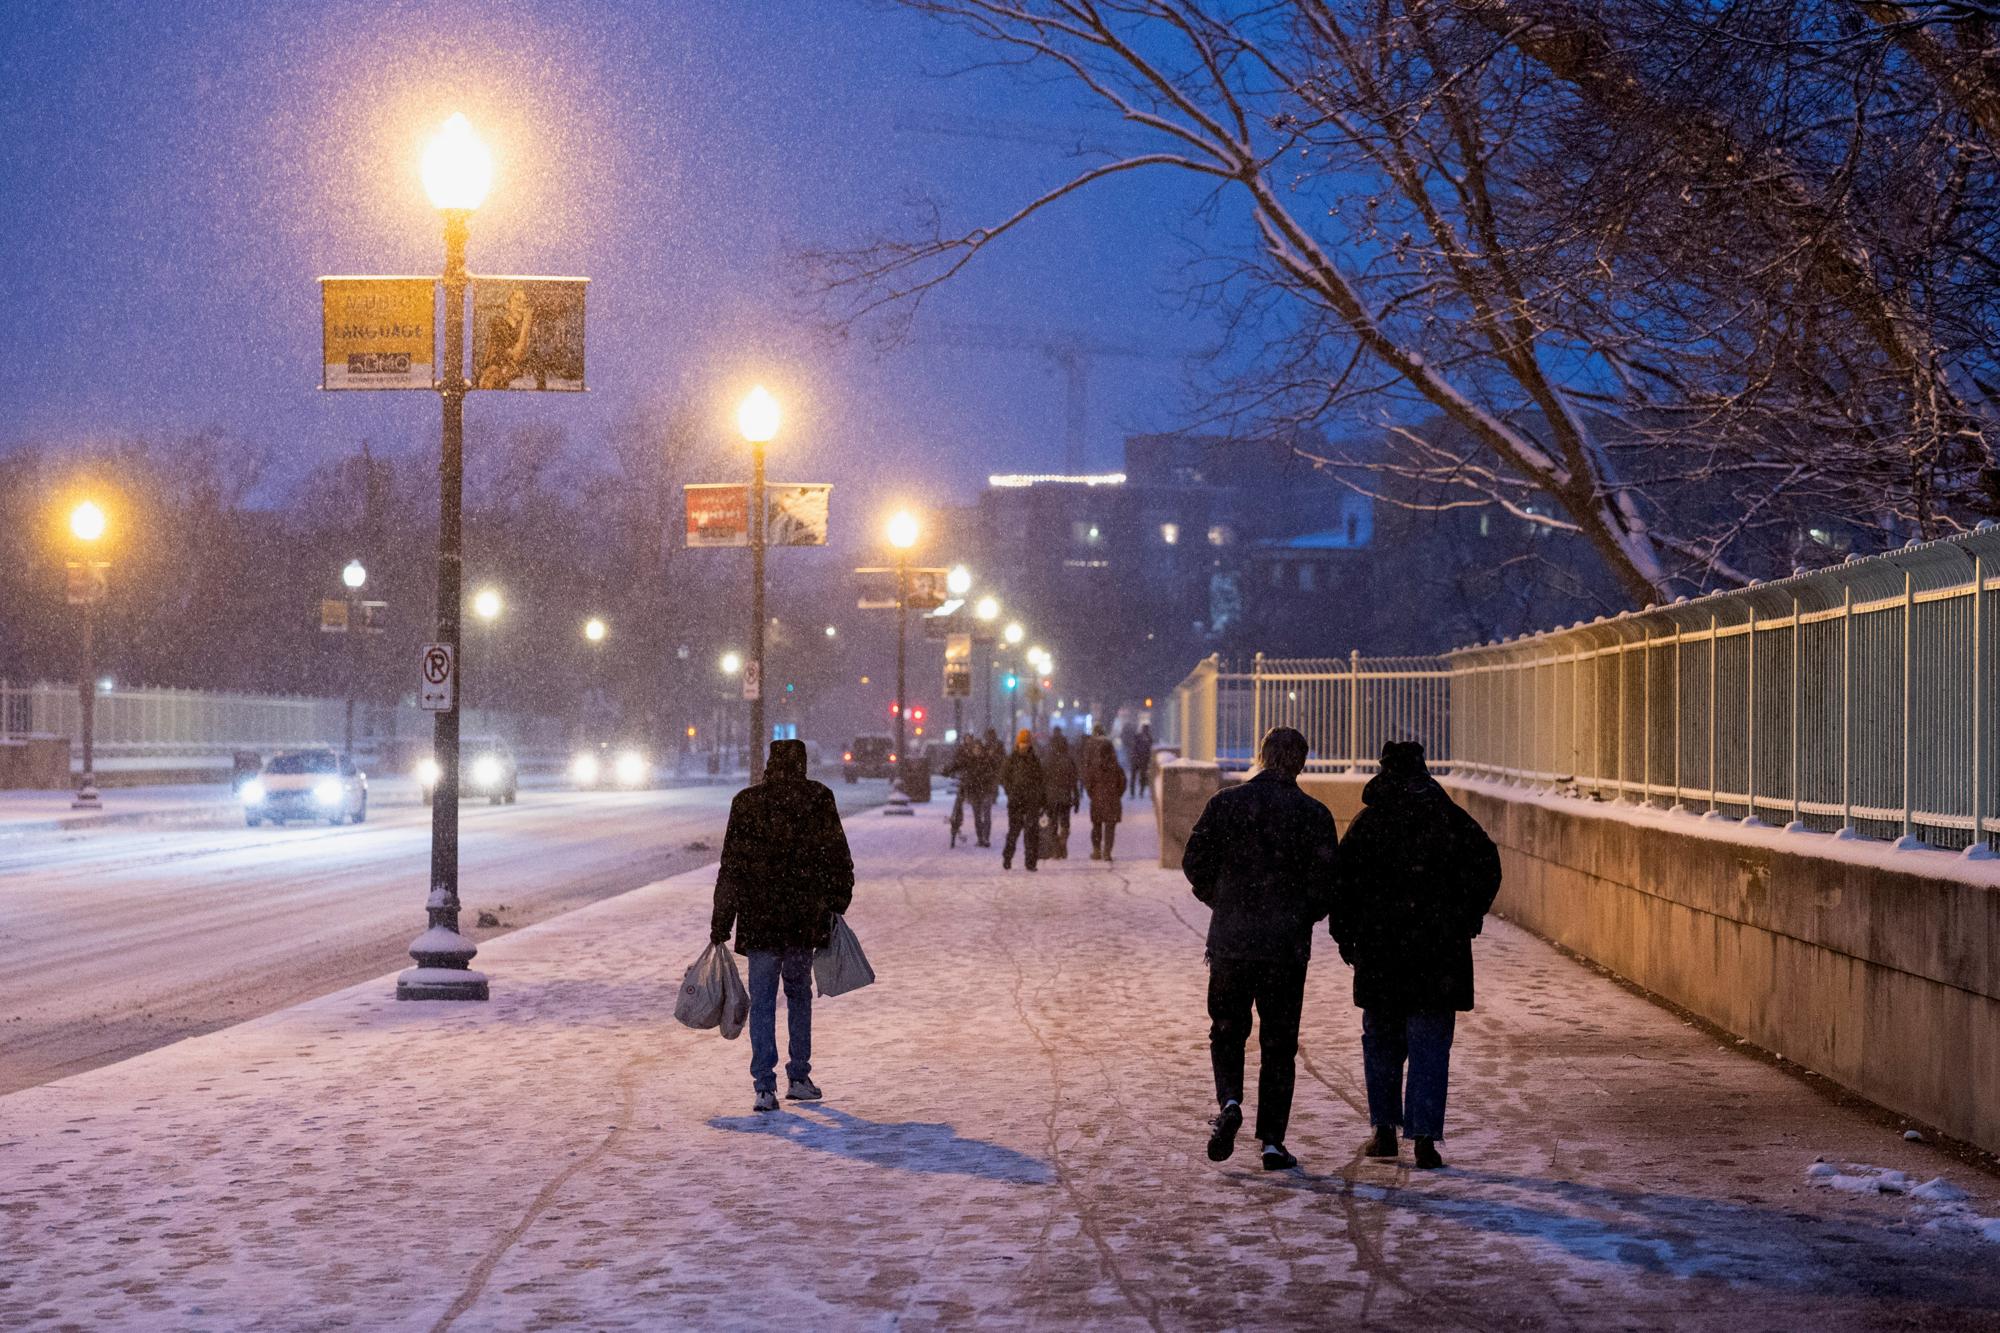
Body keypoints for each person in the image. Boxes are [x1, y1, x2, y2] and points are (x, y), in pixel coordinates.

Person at [1329, 740, 1501, 1170]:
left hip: (1381, 952)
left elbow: (1342, 881)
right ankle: (1424, 1137)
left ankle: (1384, 1130)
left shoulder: (1369, 824)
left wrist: (1345, 934)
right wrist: (1467, 916)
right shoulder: (1450, 819)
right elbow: (1487, 864)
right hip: (1438, 956)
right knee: (1429, 1047)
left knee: (1382, 1043)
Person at [1182, 727, 1339, 1171]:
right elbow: (1328, 883)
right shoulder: (1314, 815)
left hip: (1231, 943)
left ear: (1262, 756)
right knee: (1279, 1043)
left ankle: (1230, 1101)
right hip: (1285, 949)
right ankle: (1272, 1141)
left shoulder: (1226, 805)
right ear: (1301, 764)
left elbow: (1194, 862)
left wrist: (1222, 900)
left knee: (1228, 1029)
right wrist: (1300, 914)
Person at [710, 739, 856, 1113]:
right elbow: (838, 857)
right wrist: (837, 901)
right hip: (803, 916)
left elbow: (732, 867)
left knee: (762, 1000)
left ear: (770, 763)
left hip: (760, 918)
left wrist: (721, 922)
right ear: (803, 763)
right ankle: (800, 1076)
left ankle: (763, 1084)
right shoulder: (818, 799)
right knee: (798, 993)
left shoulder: (746, 804)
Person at [998, 729, 1044, 871]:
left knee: (1031, 832)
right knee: (1014, 831)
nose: (1024, 745)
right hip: (1016, 800)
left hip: (1031, 800)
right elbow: (1003, 778)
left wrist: (1041, 799)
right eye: (1022, 742)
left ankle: (1030, 862)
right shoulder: (1011, 759)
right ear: (1018, 743)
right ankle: (1007, 858)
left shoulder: (1034, 760)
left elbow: (1040, 781)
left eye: (1026, 742)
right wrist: (1010, 791)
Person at [1082, 724, 1125, 861]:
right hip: (1112, 799)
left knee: (1097, 825)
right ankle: (1107, 852)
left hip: (1097, 798)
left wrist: (1092, 793)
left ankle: (1096, 851)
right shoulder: (1116, 767)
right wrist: (1117, 794)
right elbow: (1123, 782)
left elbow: (1089, 782)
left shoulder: (1095, 767)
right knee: (1110, 827)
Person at [1043, 730, 1080, 860]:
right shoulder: (1068, 761)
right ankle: (1062, 841)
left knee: (1052, 824)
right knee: (1065, 823)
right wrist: (1076, 798)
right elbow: (1074, 781)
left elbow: (1042, 780)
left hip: (1051, 797)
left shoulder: (1047, 761)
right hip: (1065, 797)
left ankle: (1055, 849)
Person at [1131, 724, 1155, 799]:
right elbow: (1149, 750)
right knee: (1142, 777)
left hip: (1136, 759)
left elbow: (1133, 747)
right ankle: (1140, 793)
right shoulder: (1149, 738)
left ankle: (1133, 793)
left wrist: (1133, 756)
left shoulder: (1138, 736)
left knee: (1134, 777)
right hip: (1143, 760)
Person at [1122, 720, 1142, 797]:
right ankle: (1138, 791)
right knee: (1138, 775)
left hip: (1134, 758)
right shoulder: (1137, 738)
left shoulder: (1129, 736)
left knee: (1133, 775)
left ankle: (1132, 791)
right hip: (1138, 759)